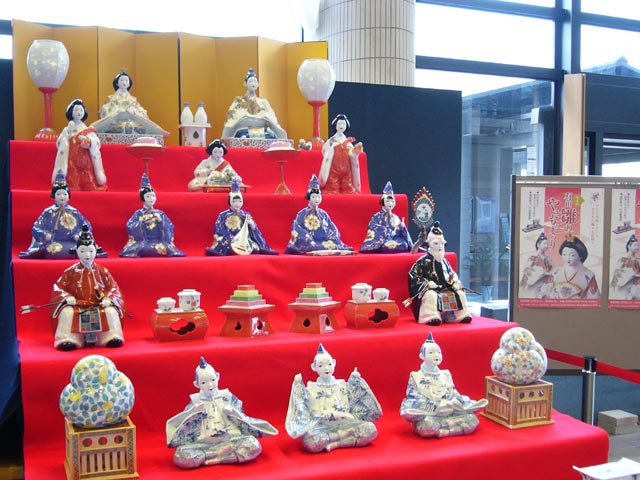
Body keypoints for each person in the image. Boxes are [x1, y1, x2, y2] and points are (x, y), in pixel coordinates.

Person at [166, 357, 278, 469]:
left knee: (253, 445)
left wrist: (233, 412)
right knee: (181, 455)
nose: (210, 385)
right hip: (203, 444)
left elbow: (243, 419)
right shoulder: (195, 402)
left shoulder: (227, 397)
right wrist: (193, 414)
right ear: (197, 384)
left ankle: (215, 458)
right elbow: (183, 428)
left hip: (231, 440)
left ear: (218, 377)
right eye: (204, 382)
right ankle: (220, 454)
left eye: (212, 380)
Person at [285, 344, 382, 453]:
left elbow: (354, 403)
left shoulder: (342, 385)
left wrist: (355, 380)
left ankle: (336, 444)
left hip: (345, 424)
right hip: (322, 427)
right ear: (314, 367)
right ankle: (344, 436)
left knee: (370, 429)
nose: (326, 368)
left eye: (329, 364)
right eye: (321, 366)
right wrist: (298, 387)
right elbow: (304, 410)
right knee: (311, 441)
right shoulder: (311, 388)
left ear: (334, 363)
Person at [49, 225, 125, 351]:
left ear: (96, 250)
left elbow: (114, 288)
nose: (87, 255)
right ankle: (69, 339)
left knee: (110, 311)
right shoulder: (70, 272)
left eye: (90, 251)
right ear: (77, 251)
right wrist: (67, 297)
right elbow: (59, 288)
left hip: (98, 305)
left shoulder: (102, 271)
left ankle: (109, 337)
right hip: (78, 306)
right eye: (83, 251)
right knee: (67, 312)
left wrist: (109, 298)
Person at [400, 333, 486, 438]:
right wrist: (437, 407)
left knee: (472, 420)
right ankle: (453, 429)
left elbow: (454, 393)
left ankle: (445, 431)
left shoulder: (445, 374)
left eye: (439, 352)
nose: (436, 355)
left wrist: (454, 402)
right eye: (431, 352)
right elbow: (413, 400)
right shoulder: (416, 376)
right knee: (427, 425)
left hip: (450, 410)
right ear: (422, 356)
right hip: (432, 413)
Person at [19, 170, 106, 259]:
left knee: (79, 249)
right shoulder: (47, 212)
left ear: (68, 196)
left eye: (64, 194)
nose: (62, 197)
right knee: (51, 250)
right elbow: (36, 228)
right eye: (59, 194)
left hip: (72, 243)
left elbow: (87, 225)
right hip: (52, 243)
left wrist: (79, 235)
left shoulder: (74, 212)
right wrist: (45, 235)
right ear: (54, 196)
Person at [407, 221, 471, 325]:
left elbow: (452, 273)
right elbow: (413, 275)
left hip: (445, 288)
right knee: (431, 295)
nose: (440, 247)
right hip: (432, 289)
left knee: (460, 293)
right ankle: (431, 316)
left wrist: (454, 281)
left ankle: (458, 316)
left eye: (442, 244)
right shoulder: (422, 262)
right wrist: (427, 283)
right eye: (436, 244)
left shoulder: (445, 262)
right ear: (429, 244)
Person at [284, 174, 354, 255]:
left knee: (332, 245)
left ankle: (321, 246)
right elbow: (297, 228)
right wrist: (308, 240)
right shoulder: (301, 214)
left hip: (324, 242)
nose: (316, 199)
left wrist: (333, 238)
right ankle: (313, 245)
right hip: (309, 242)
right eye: (313, 197)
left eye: (319, 197)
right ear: (308, 197)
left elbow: (331, 227)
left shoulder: (323, 214)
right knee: (311, 246)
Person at [119, 173, 186, 257]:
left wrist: (160, 221)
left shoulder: (160, 213)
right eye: (148, 196)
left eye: (153, 196)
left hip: (159, 242)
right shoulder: (138, 214)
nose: (151, 199)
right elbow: (129, 226)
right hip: (143, 242)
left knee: (166, 247)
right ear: (142, 198)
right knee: (138, 248)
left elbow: (170, 227)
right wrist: (142, 223)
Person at [205, 179, 278, 256]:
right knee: (223, 241)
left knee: (255, 248)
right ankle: (219, 251)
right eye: (234, 201)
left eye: (240, 201)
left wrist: (252, 224)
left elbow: (254, 231)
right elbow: (218, 229)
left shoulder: (245, 215)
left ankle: (263, 248)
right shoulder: (223, 215)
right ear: (229, 201)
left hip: (243, 239)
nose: (237, 204)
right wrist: (229, 236)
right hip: (230, 239)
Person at [92, 70, 168, 137]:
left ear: (129, 84)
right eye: (121, 80)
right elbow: (105, 109)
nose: (124, 82)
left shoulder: (133, 99)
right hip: (116, 121)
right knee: (117, 127)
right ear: (117, 83)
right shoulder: (112, 98)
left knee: (138, 126)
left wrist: (134, 112)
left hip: (132, 120)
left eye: (126, 80)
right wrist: (116, 111)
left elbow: (142, 111)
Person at [52, 98, 107, 191]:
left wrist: (89, 142)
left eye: (81, 110)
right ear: (71, 112)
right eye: (76, 110)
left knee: (87, 175)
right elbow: (59, 142)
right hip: (71, 158)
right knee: (73, 175)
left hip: (85, 158)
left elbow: (96, 141)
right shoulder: (67, 129)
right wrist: (66, 138)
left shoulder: (87, 129)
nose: (79, 112)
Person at [221, 68, 287, 140]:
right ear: (245, 83)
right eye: (250, 81)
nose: (253, 83)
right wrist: (248, 116)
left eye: (255, 81)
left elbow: (271, 116)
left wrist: (262, 117)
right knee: (243, 136)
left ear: (258, 84)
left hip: (262, 129)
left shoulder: (263, 101)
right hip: (244, 129)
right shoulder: (238, 101)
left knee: (271, 136)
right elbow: (234, 116)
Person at [360, 181, 413, 253]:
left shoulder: (395, 217)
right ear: (382, 202)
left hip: (393, 240)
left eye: (392, 201)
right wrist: (386, 230)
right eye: (387, 201)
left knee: (404, 245)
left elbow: (399, 233)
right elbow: (372, 227)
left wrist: (402, 227)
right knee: (386, 246)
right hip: (382, 241)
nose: (390, 203)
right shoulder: (376, 217)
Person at [319, 114, 362, 194]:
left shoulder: (348, 142)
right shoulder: (331, 141)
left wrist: (355, 153)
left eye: (343, 124)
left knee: (348, 188)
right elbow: (325, 152)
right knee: (332, 188)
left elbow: (352, 156)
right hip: (334, 170)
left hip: (346, 171)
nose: (341, 126)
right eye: (339, 123)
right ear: (335, 125)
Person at [548, 235, 601, 299]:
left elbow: (594, 297)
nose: (567, 258)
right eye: (564, 254)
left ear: (580, 256)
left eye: (572, 255)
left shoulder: (588, 275)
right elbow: (546, 291)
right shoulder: (556, 271)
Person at [519, 232, 554, 298]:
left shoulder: (549, 259)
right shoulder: (533, 258)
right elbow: (526, 271)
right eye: (544, 243)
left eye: (547, 244)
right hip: (533, 285)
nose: (546, 246)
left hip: (545, 286)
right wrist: (539, 274)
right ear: (538, 244)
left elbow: (552, 272)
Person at [610, 234, 640, 300]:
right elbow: (618, 279)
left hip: (634, 290)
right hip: (623, 290)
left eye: (638, 245)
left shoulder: (638, 261)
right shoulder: (622, 260)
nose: (637, 247)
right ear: (629, 246)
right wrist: (632, 275)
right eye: (635, 245)